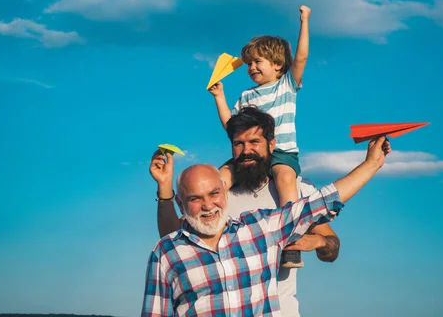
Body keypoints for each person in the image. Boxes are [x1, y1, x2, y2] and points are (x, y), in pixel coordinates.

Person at [143, 109, 392, 317]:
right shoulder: (219, 195)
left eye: (254, 142)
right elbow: (177, 244)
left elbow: (324, 204)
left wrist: (312, 240)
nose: (246, 150)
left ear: (271, 145)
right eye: (238, 144)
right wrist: (164, 188)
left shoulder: (273, 213)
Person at [208, 5, 311, 268]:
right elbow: (232, 127)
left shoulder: (286, 85)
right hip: (249, 155)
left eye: (258, 62)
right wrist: (220, 97)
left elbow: (300, 59)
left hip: (282, 152)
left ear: (277, 65)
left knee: (286, 178)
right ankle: (205, 227)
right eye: (249, 63)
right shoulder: (246, 96)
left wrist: (304, 21)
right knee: (220, 178)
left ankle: (290, 240)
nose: (251, 67)